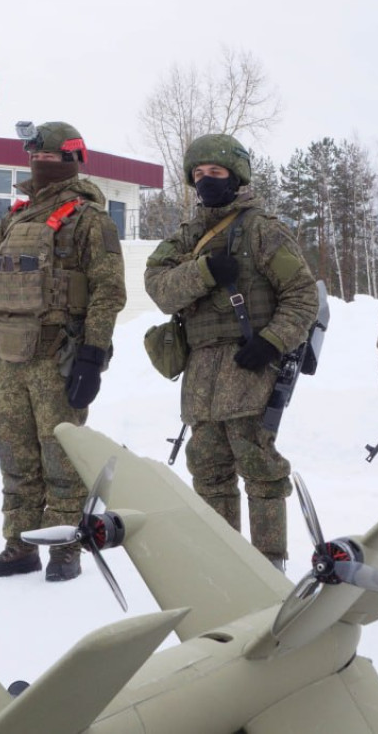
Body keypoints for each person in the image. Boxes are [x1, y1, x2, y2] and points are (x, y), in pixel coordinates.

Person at [0, 121, 126, 582]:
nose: (41, 165)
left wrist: (93, 353)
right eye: (37, 158)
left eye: (51, 158)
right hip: (8, 355)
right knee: (15, 455)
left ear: (72, 161)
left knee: (61, 456)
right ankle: (20, 544)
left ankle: (65, 547)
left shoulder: (90, 220)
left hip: (57, 357)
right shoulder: (14, 218)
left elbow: (109, 292)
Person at [144, 133, 318, 569]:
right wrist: (203, 273)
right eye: (198, 175)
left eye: (215, 173)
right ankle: (223, 564)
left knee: (259, 466)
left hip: (250, 367)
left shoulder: (264, 231)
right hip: (201, 371)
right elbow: (160, 289)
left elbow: (302, 297)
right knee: (207, 468)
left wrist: (272, 342)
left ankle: (268, 563)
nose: (205, 181)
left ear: (236, 175)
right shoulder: (187, 238)